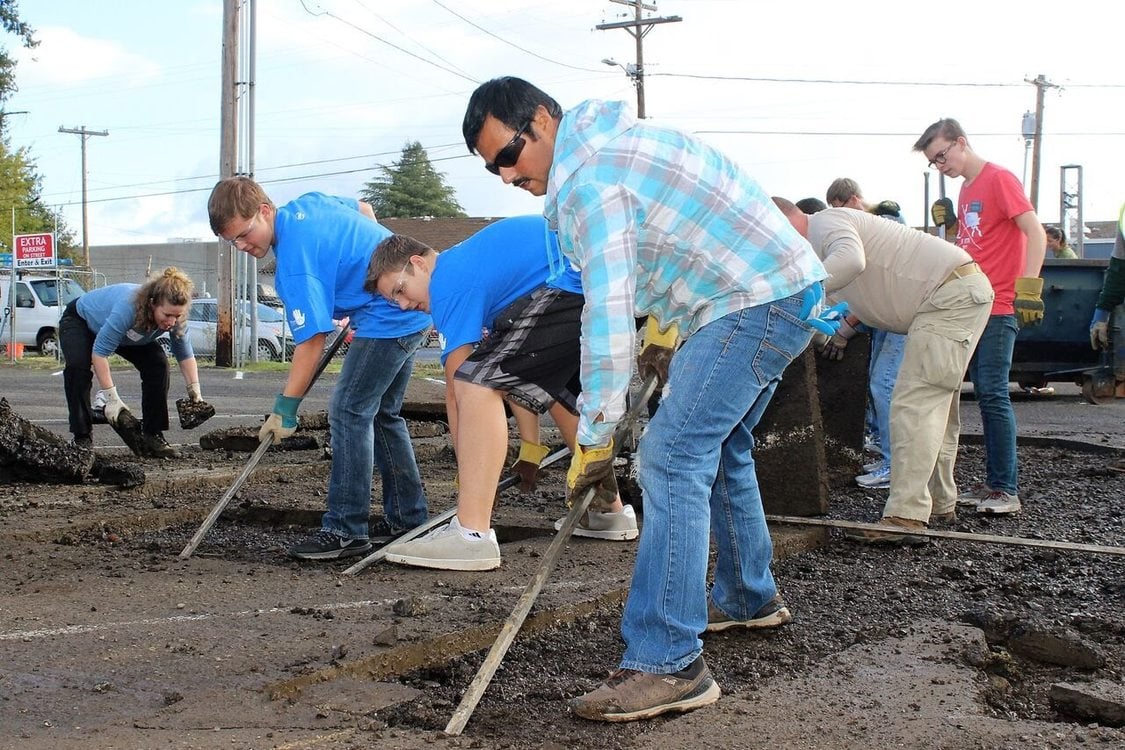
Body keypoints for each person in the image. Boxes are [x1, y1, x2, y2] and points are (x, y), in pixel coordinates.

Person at [463, 76, 827, 722]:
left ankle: (667, 663)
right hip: (771, 291)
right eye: (491, 167)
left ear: (542, 122)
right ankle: (746, 595)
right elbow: (676, 245)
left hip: (750, 302)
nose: (503, 174)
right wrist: (665, 330)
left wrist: (597, 433)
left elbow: (606, 312)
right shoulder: (617, 147)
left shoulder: (591, 183)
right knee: (722, 445)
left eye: (507, 157)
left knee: (669, 459)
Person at [367, 215, 639, 571]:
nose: (402, 305)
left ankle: (471, 535)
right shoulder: (474, 266)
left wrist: (470, 476)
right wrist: (528, 444)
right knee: (558, 394)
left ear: (418, 263)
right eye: (393, 301)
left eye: (400, 290)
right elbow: (520, 376)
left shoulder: (447, 280)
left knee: (474, 381)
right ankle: (609, 511)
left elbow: (459, 388)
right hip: (612, 280)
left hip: (577, 280)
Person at [207, 176, 432, 561]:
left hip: (392, 314)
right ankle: (407, 519)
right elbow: (364, 210)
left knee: (348, 411)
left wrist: (285, 408)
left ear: (264, 211)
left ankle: (345, 530)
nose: (243, 246)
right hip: (404, 309)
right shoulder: (309, 204)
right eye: (233, 242)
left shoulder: (295, 260)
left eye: (245, 234)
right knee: (382, 415)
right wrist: (360, 283)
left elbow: (311, 342)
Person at [774, 199, 994, 539]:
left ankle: (906, 518)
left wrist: (801, 288)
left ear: (784, 222)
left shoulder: (826, 224)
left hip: (947, 297)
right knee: (935, 408)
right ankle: (938, 501)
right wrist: (833, 331)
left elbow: (852, 262)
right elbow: (861, 294)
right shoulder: (822, 247)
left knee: (913, 406)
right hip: (952, 294)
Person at [914, 118, 1046, 516]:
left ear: (961, 143)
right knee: (975, 394)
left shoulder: (1000, 179)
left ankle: (1006, 489)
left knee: (992, 394)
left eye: (942, 155)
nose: (941, 165)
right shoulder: (968, 187)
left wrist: (1030, 288)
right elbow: (973, 243)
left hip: (1000, 303)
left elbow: (1035, 232)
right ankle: (993, 484)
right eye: (934, 161)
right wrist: (951, 226)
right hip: (974, 301)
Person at [59, 268, 201, 458]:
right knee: (78, 368)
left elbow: (184, 353)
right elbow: (100, 353)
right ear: (152, 303)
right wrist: (112, 399)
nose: (171, 322)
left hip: (127, 335)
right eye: (167, 315)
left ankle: (153, 434)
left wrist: (195, 390)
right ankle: (82, 437)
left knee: (157, 364)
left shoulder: (176, 320)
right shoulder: (128, 308)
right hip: (82, 320)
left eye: (177, 316)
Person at [824, 178, 908, 490]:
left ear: (855, 199)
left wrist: (846, 327)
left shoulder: (881, 226)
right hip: (887, 317)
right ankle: (887, 454)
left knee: (884, 385)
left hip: (898, 315)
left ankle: (893, 467)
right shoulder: (873, 226)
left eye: (840, 208)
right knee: (880, 382)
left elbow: (874, 286)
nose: (839, 217)